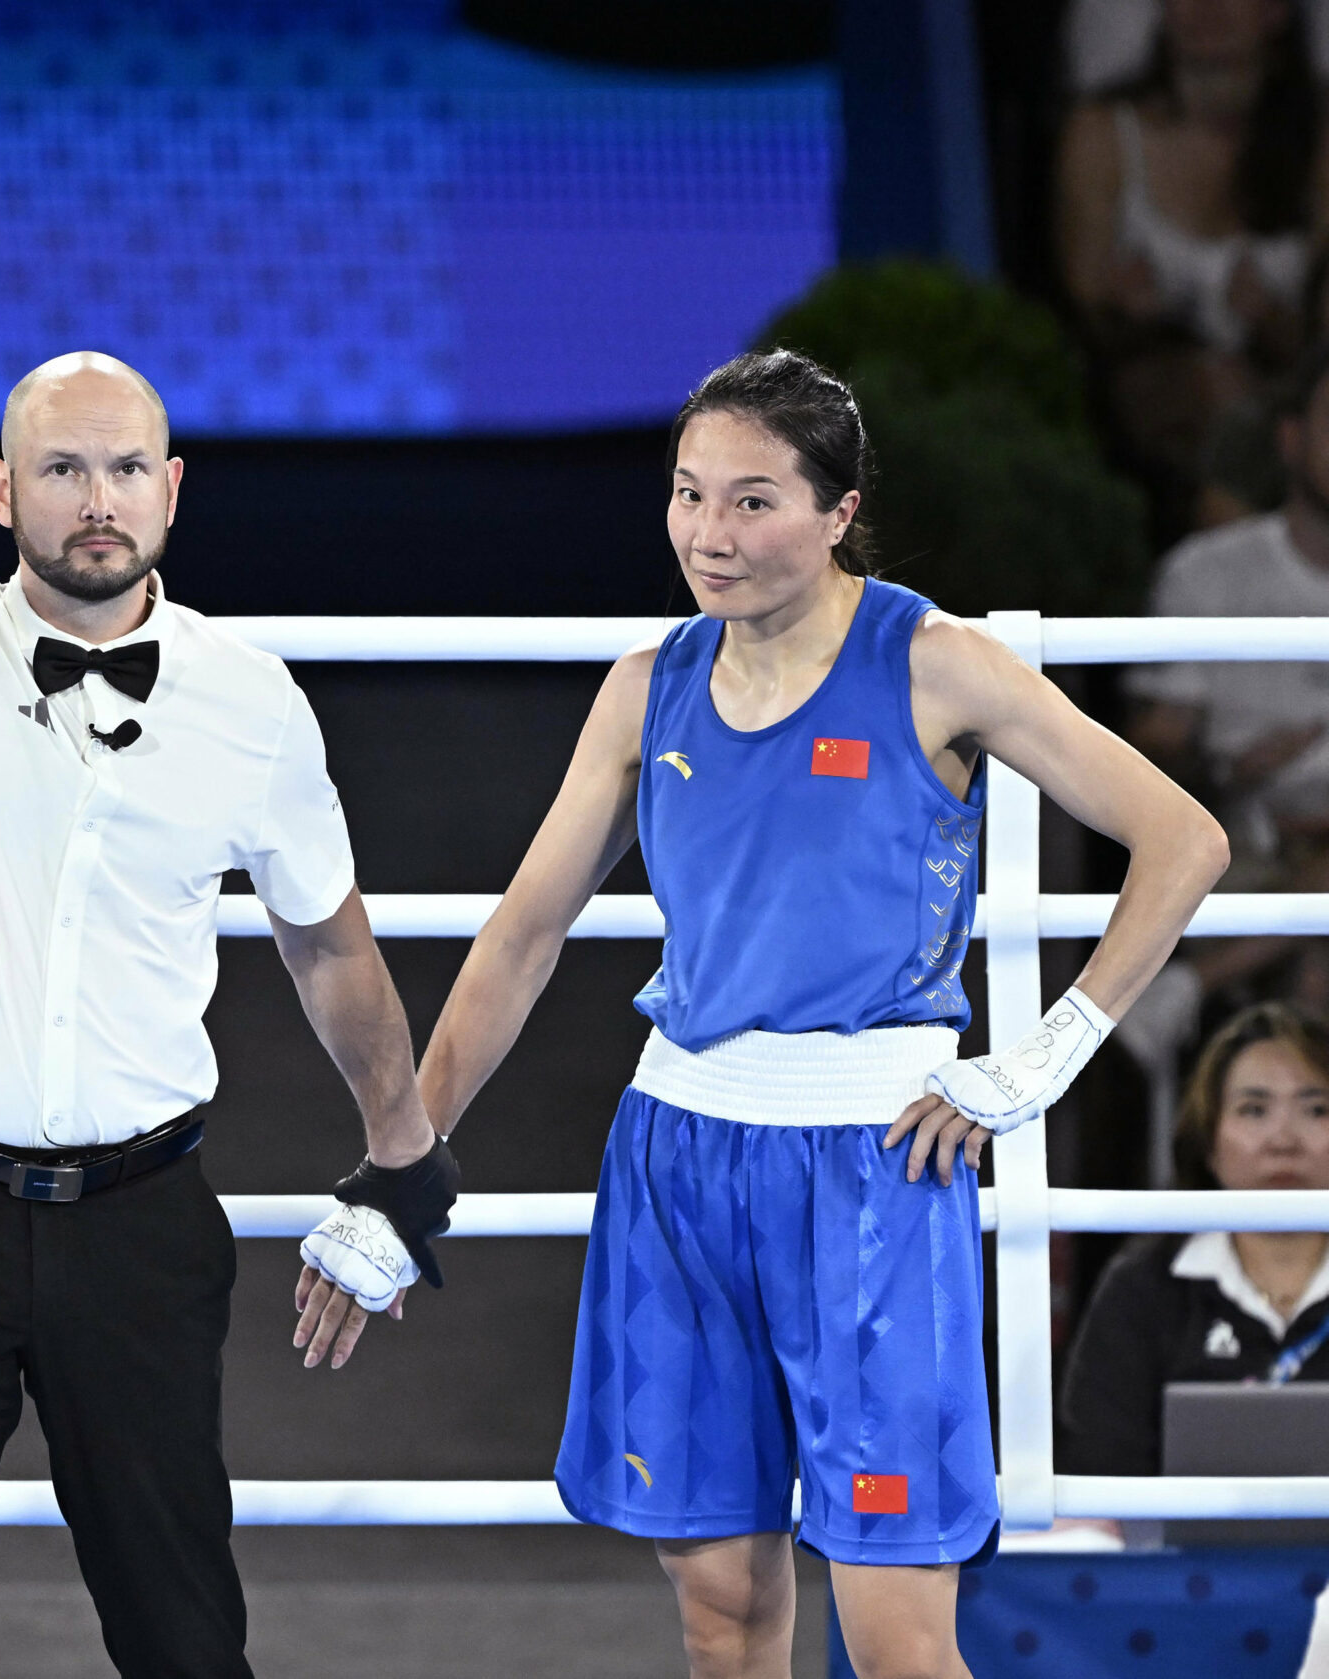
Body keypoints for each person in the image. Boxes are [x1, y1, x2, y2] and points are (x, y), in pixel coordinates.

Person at [402, 349, 1227, 1679]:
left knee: (900, 1637)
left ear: (840, 510)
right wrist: (403, 1157)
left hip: (878, 1163)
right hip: (681, 1156)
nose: (708, 535)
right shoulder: (645, 684)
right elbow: (522, 931)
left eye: (752, 501)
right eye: (688, 495)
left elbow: (1181, 838)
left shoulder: (941, 662)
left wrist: (1042, 1053)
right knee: (722, 1609)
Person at [0, 243, 451, 1675]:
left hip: (141, 1218)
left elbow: (327, 941)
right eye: (61, 469)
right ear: (3, 491)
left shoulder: (252, 701)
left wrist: (404, 1151)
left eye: (126, 467)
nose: (97, 498)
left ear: (172, 487)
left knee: (186, 1629)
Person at [1126, 344, 1329, 1068]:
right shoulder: (1208, 573)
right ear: (1291, 437)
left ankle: (1184, 989)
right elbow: (1153, 746)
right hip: (1243, 844)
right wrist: (1223, 773)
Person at [1057, 0, 1325, 527]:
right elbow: (1076, 313)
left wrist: (1274, 322)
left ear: (1277, 12)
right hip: (1151, 387)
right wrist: (1123, 308)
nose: (1205, 8)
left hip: (1297, 381)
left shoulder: (1319, 137)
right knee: (1218, 393)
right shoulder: (1101, 132)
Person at [1063, 1002, 1329, 1476]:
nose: (1284, 1140)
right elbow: (1099, 1476)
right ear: (1207, 1141)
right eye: (1254, 1110)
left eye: (1316, 1109)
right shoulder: (1142, 1287)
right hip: (1185, 1555)